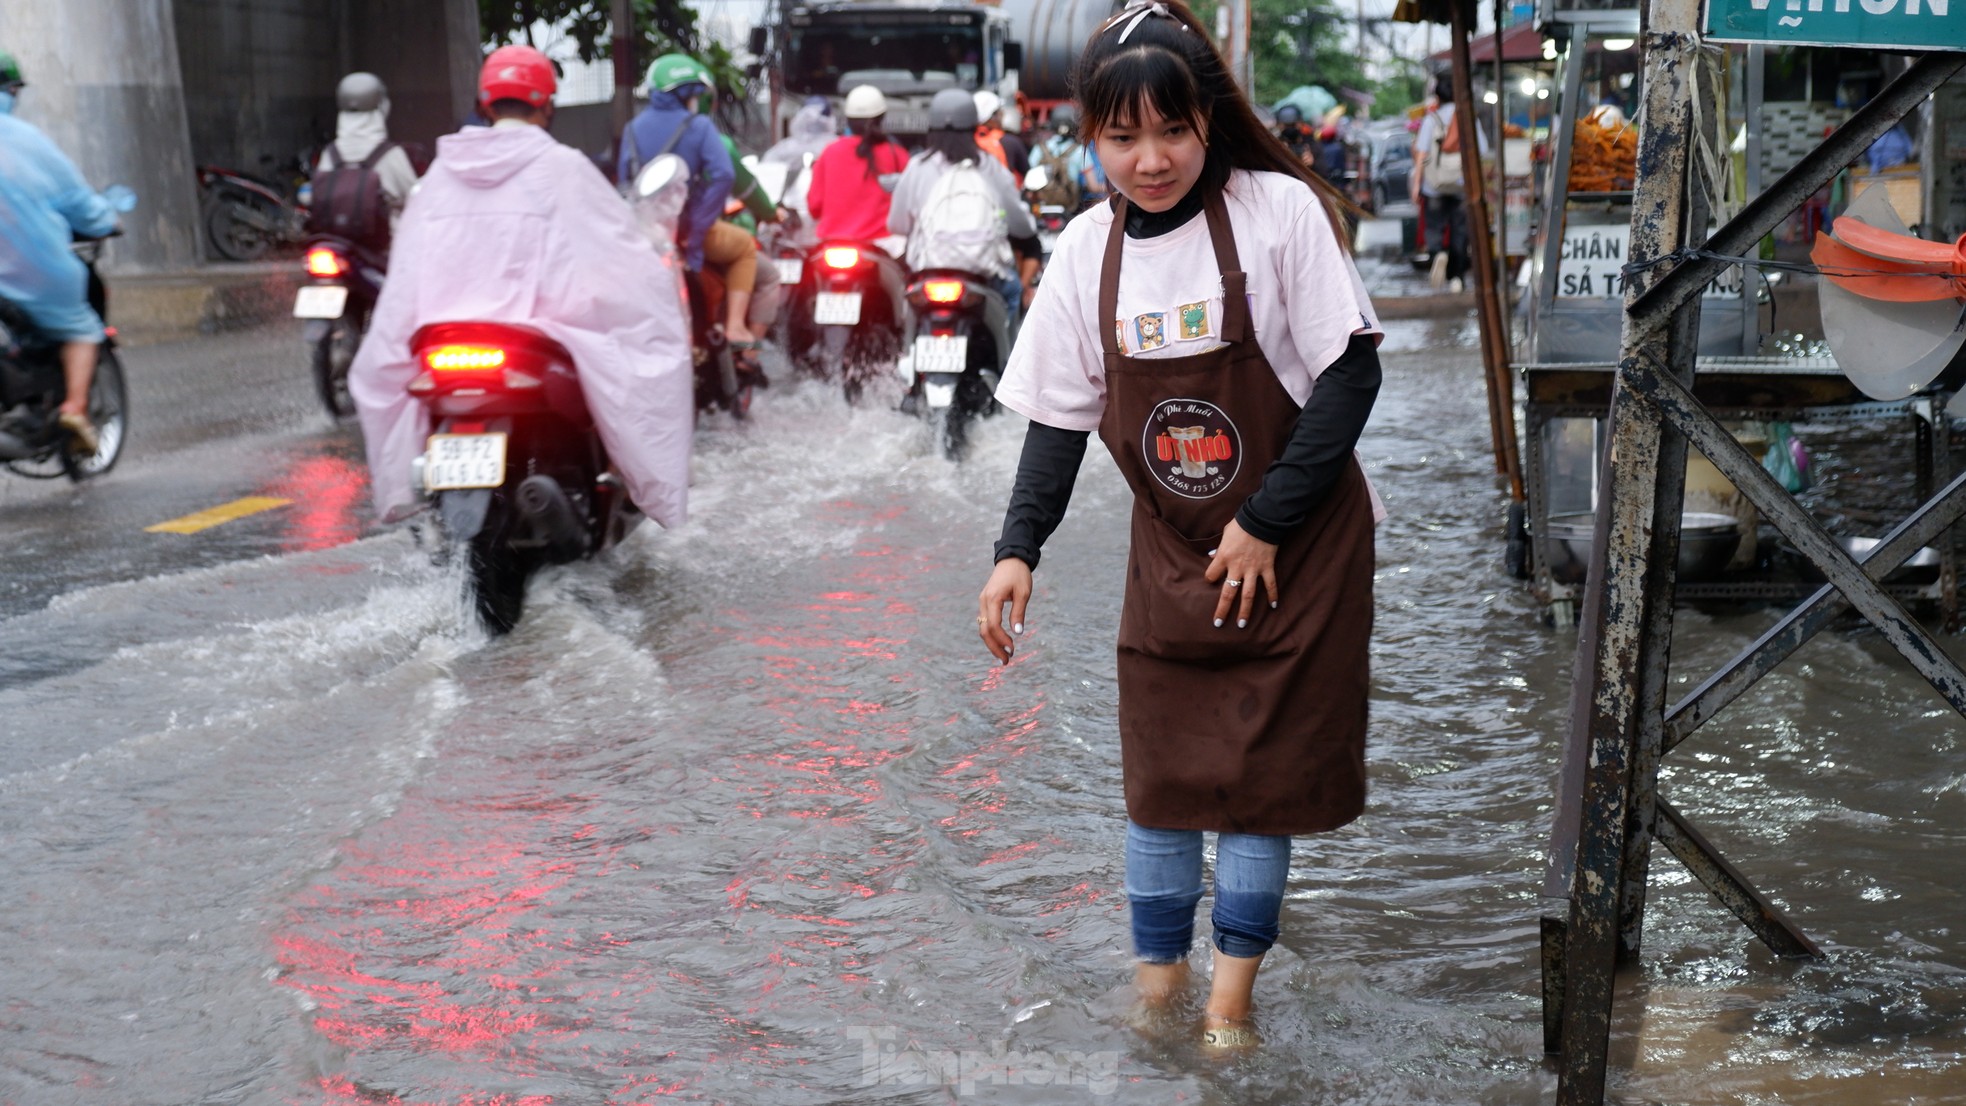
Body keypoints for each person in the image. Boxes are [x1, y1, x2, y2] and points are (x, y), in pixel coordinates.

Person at [975, 0, 1384, 1050]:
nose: (1150, 159)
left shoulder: (1278, 213)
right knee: (1160, 785)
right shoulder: (1082, 255)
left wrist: (1264, 520)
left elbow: (1349, 373)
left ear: (1208, 120)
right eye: (1122, 138)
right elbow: (1060, 422)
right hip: (1172, 552)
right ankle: (1155, 989)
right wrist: (1016, 548)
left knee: (1258, 789)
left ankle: (1228, 1006)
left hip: (1300, 544)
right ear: (1091, 136)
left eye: (1171, 131)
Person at [349, 44, 692, 529]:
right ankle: (618, 477)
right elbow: (622, 258)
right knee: (642, 359)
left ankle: (418, 490)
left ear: (486, 104)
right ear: (547, 105)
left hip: (442, 342)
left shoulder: (439, 176)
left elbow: (405, 277)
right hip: (534, 343)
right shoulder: (565, 168)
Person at [0, 49, 121, 453]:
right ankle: (74, 407)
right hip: (30, 271)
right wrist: (106, 220)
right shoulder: (27, 141)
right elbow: (78, 201)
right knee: (81, 327)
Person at [619, 54, 762, 349]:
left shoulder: (632, 129)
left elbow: (624, 185)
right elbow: (723, 175)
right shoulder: (698, 127)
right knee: (746, 247)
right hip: (686, 235)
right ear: (689, 94)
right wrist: (697, 230)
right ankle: (735, 327)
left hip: (645, 237)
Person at [888, 88, 1039, 326]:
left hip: (927, 270)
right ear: (973, 127)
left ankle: (905, 351)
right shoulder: (990, 167)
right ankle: (1009, 361)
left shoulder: (917, 167)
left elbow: (896, 224)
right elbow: (1020, 225)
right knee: (1011, 292)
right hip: (981, 272)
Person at [312, 72, 419, 240]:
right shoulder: (390, 154)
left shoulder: (330, 153)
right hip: (384, 244)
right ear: (383, 107)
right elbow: (415, 197)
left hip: (337, 241)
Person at [805, 85, 910, 250]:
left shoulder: (829, 152)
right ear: (881, 118)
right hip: (884, 246)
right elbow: (910, 209)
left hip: (832, 245)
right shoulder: (897, 155)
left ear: (848, 119)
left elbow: (814, 207)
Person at [1411, 74, 1486, 293]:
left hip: (1434, 186)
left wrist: (1417, 184)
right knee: (1460, 231)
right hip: (1462, 184)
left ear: (1438, 96)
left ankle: (1438, 252)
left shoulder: (1430, 120)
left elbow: (1421, 154)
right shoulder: (1467, 118)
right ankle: (1457, 278)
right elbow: (1480, 149)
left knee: (1434, 226)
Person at [1029, 103, 1093, 214]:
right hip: (1069, 210)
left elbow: (1029, 179)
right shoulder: (1079, 150)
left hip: (1041, 209)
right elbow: (1093, 186)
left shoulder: (1040, 148)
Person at [972, 89, 1011, 170]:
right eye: (999, 112)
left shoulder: (968, 141)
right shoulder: (1010, 142)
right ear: (992, 117)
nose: (1002, 115)